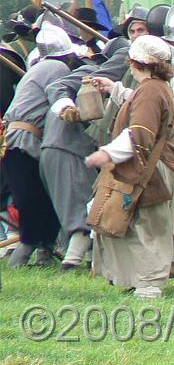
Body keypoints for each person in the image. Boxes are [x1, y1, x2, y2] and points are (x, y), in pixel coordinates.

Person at [85, 35, 174, 299]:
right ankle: (141, 280)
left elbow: (140, 134)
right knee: (140, 225)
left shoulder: (150, 90)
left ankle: (149, 285)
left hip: (150, 168)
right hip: (160, 163)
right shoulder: (157, 86)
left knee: (147, 226)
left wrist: (107, 154)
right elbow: (141, 103)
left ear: (134, 63)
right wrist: (115, 89)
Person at [43, 37, 131, 269]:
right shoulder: (92, 70)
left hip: (61, 147)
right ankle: (71, 262)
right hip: (70, 147)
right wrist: (67, 107)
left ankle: (91, 260)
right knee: (83, 210)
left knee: (83, 206)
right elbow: (56, 87)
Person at [1, 23, 82, 267]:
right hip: (25, 142)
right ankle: (22, 259)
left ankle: (44, 255)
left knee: (40, 201)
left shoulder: (38, 69)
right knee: (34, 203)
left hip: (19, 140)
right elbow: (58, 101)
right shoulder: (57, 68)